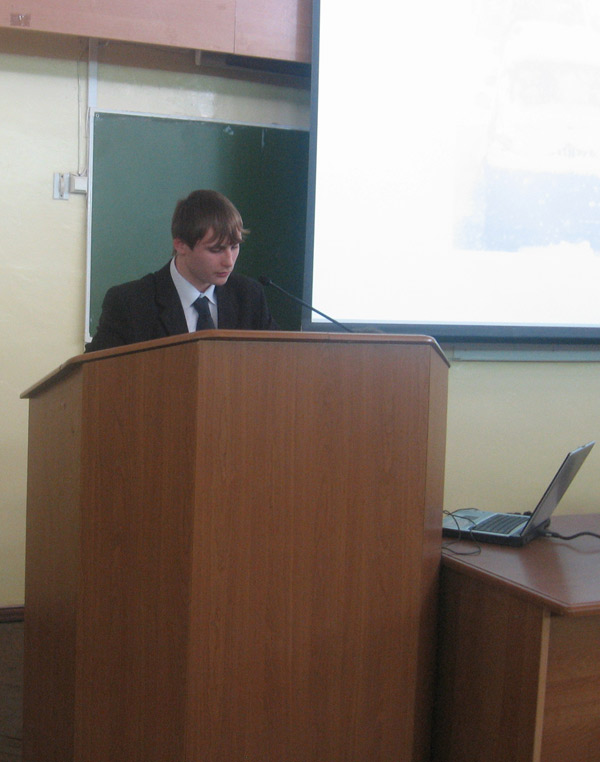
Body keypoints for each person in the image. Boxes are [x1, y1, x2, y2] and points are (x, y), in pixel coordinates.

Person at [86, 189, 277, 352]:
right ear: (181, 245)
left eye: (234, 247)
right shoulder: (130, 303)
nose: (229, 261)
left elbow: (277, 361)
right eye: (216, 250)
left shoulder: (249, 296)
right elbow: (93, 373)